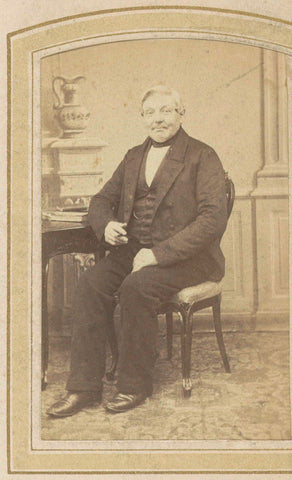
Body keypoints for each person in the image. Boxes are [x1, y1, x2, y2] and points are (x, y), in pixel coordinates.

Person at [47, 85, 228, 417]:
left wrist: (159, 255)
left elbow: (211, 221)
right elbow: (101, 200)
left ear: (181, 113)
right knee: (90, 284)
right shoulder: (133, 156)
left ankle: (134, 385)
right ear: (143, 118)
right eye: (150, 113)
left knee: (136, 287)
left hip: (190, 260)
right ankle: (83, 388)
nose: (157, 119)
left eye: (166, 110)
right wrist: (106, 226)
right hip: (134, 251)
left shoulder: (203, 156)